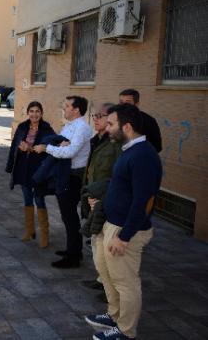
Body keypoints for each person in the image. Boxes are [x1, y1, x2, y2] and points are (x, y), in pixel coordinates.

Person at [85, 103, 162, 340]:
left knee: (125, 282)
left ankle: (126, 331)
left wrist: (125, 236)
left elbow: (143, 202)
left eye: (111, 124)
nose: (106, 129)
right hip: (110, 223)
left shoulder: (144, 156)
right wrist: (100, 204)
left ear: (126, 127)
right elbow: (121, 188)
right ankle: (114, 315)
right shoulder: (128, 149)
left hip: (125, 230)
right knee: (106, 273)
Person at [34, 95, 93, 268]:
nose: (64, 108)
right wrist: (59, 146)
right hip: (65, 173)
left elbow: (69, 152)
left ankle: (74, 257)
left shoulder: (81, 127)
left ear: (76, 110)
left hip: (73, 176)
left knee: (70, 216)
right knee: (67, 216)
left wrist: (47, 148)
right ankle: (72, 250)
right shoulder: (70, 126)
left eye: (67, 106)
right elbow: (62, 145)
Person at [80, 103, 122, 294]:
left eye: (100, 116)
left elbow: (114, 176)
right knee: (97, 242)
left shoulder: (115, 145)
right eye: (94, 115)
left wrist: (99, 196)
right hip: (93, 197)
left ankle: (110, 289)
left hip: (105, 199)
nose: (95, 119)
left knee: (103, 244)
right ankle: (102, 279)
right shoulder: (97, 139)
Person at [5, 101, 55, 247]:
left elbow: (52, 148)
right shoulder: (22, 127)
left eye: (37, 111)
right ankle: (29, 231)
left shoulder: (47, 129)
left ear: (41, 113)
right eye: (31, 111)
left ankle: (44, 235)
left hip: (39, 170)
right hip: (23, 168)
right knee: (27, 199)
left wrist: (30, 148)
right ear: (28, 113)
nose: (34, 114)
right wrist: (10, 166)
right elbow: (14, 147)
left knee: (39, 199)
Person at [118, 89, 162, 153]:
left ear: (137, 104)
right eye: (121, 102)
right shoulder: (115, 119)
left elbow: (157, 146)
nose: (123, 105)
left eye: (127, 102)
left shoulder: (149, 121)